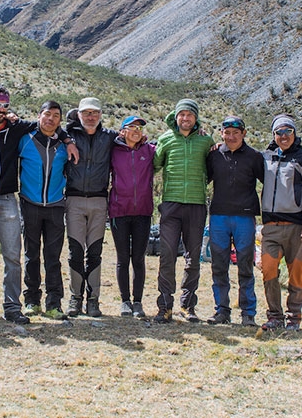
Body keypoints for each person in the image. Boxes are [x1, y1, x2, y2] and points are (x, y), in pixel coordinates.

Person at [0, 84, 77, 325]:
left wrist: (68, 138)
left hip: (7, 198)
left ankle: (13, 306)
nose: (2, 109)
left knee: (13, 255)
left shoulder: (15, 129)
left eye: (5, 105)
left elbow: (47, 125)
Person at [152, 98, 214, 323]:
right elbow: (154, 164)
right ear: (176, 117)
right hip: (171, 204)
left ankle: (188, 306)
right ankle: (165, 306)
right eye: (182, 114)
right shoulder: (165, 139)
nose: (185, 118)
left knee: (192, 258)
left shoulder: (205, 141)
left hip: (197, 205)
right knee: (167, 256)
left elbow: (214, 164)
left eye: (190, 115)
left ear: (195, 118)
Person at [260, 114, 302, 331]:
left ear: (295, 134)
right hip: (270, 226)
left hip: (297, 227)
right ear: (273, 135)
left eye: (288, 131)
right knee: (268, 269)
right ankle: (274, 315)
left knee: (296, 271)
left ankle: (294, 316)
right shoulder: (265, 158)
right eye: (279, 132)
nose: (283, 136)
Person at [205, 116, 265, 326]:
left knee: (245, 266)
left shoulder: (254, 157)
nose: (231, 137)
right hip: (219, 216)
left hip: (245, 218)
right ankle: (222, 310)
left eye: (235, 133)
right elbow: (204, 178)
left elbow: (268, 183)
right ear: (221, 133)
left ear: (244, 134)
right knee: (219, 265)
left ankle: (248, 314)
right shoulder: (214, 156)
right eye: (227, 133)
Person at [64, 97, 118, 318]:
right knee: (75, 251)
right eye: (86, 113)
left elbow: (135, 139)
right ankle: (75, 297)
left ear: (100, 115)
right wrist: (67, 139)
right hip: (74, 200)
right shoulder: (68, 136)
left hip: (99, 200)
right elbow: (46, 128)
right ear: (78, 114)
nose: (90, 117)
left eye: (95, 113)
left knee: (95, 251)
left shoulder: (110, 137)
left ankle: (93, 299)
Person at [19, 101, 69, 320]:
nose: (51, 119)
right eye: (47, 114)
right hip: (29, 204)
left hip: (56, 206)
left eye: (56, 115)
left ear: (60, 120)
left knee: (53, 257)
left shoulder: (65, 145)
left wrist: (70, 140)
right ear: (39, 116)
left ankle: (54, 303)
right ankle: (31, 300)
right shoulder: (24, 140)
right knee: (31, 255)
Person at [108, 115, 155, 318]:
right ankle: (125, 301)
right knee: (122, 259)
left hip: (143, 212)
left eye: (140, 128)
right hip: (119, 211)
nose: (137, 131)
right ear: (122, 131)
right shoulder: (113, 151)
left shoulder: (150, 150)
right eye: (132, 127)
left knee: (138, 258)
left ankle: (137, 302)